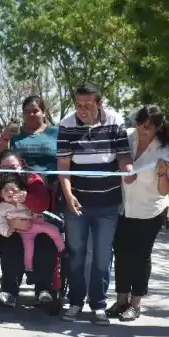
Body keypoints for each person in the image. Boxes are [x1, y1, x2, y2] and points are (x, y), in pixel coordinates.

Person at [57, 85, 133, 324]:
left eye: (87, 105)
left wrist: (128, 170)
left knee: (102, 256)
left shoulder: (115, 121)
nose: (82, 110)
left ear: (99, 104)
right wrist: (68, 197)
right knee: (77, 253)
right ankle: (75, 301)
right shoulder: (66, 125)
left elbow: (123, 156)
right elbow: (63, 168)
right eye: (78, 105)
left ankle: (98, 304)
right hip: (76, 204)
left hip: (108, 204)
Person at [108, 105, 169, 321]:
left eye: (147, 126)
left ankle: (135, 304)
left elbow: (165, 189)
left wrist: (163, 174)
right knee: (121, 253)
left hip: (150, 211)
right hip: (124, 208)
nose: (141, 129)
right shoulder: (127, 137)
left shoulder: (164, 151)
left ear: (157, 127)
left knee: (140, 256)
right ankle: (120, 301)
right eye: (138, 123)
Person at [0, 150, 58, 306]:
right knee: (12, 245)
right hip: (4, 229)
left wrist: (28, 198)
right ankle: (10, 291)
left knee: (46, 241)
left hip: (34, 227)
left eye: (13, 167)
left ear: (21, 165)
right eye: (5, 168)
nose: (10, 171)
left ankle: (43, 289)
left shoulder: (33, 180)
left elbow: (42, 205)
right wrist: (10, 225)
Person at [0, 172, 64, 271]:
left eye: (13, 189)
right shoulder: (1, 207)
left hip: (36, 224)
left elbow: (34, 210)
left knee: (53, 230)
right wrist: (6, 230)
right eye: (6, 190)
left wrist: (37, 216)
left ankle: (62, 249)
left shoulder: (23, 201)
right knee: (28, 250)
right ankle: (28, 269)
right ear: (0, 193)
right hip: (23, 232)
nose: (10, 193)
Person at [0, 96, 58, 176]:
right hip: (22, 185)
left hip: (53, 185)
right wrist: (5, 137)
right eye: (27, 111)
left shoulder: (55, 132)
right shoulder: (13, 134)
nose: (31, 114)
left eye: (35, 111)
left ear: (43, 113)